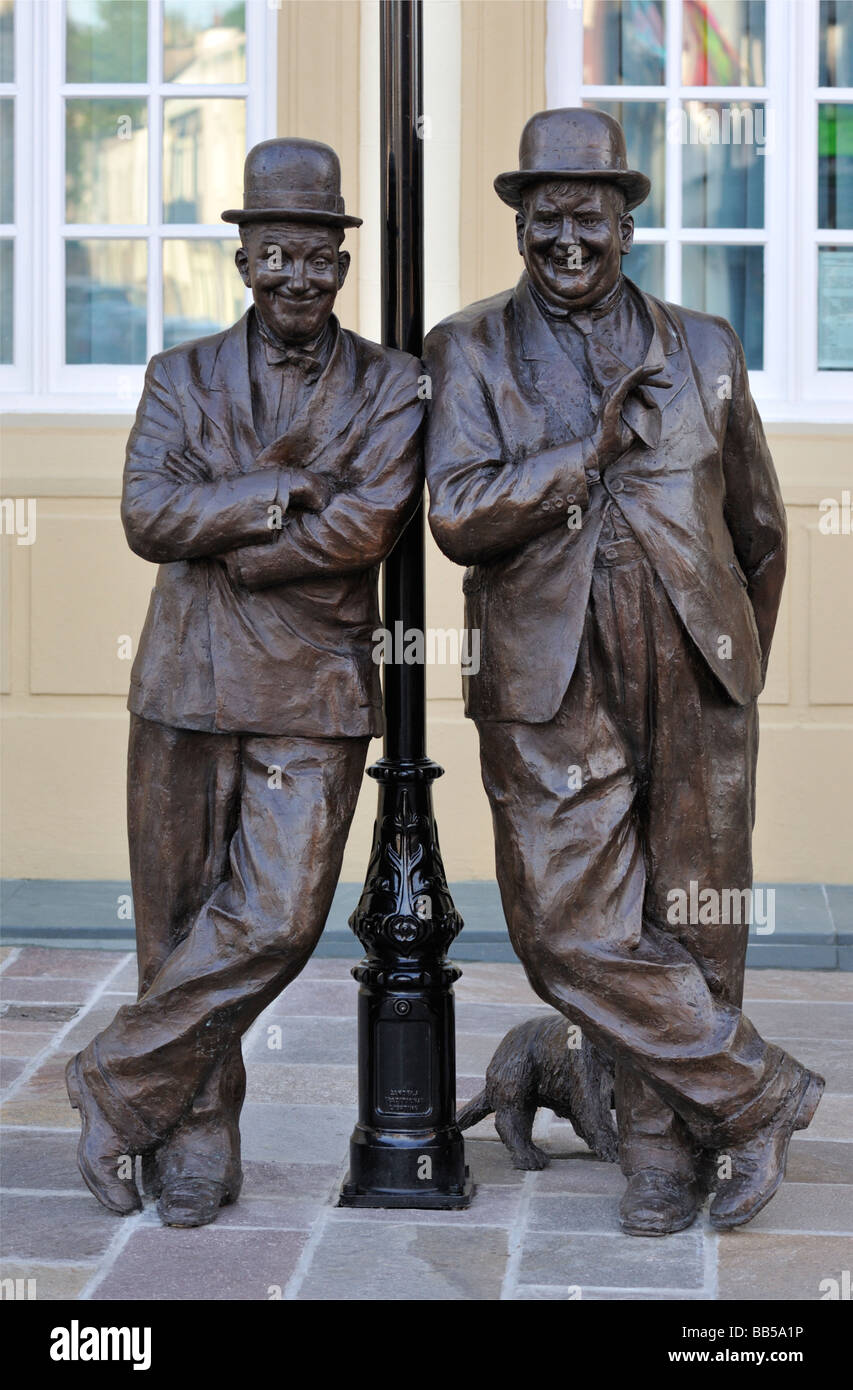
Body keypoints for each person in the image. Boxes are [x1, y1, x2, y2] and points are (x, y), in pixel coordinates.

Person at [424, 108, 823, 1235]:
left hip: (694, 668)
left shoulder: (706, 345)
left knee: (695, 916)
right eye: (544, 217)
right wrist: (579, 457)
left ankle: (661, 1150)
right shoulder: (467, 350)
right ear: (517, 223)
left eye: (587, 218)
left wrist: (732, 662)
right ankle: (759, 1094)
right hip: (550, 676)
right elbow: (454, 513)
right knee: (569, 928)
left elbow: (759, 528)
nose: (566, 240)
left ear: (626, 224)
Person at [66, 138, 423, 1229]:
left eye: (321, 256)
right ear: (246, 260)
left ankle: (116, 1075)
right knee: (176, 928)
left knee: (273, 916)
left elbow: (369, 523)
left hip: (311, 692)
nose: (301, 277)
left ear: (342, 263)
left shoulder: (393, 382)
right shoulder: (177, 376)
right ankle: (195, 1131)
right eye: (280, 254)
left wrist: (233, 537)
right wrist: (278, 490)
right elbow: (146, 516)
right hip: (181, 683)